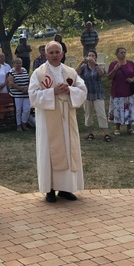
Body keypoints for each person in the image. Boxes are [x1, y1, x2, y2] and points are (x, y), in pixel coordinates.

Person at [29, 41, 86, 203]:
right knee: (49, 152)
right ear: (45, 55)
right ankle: (50, 189)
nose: (54, 55)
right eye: (51, 52)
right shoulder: (39, 73)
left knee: (68, 150)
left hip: (67, 119)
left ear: (62, 54)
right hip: (48, 121)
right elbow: (32, 95)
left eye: (57, 52)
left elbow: (83, 90)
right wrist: (52, 92)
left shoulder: (70, 72)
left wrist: (70, 90)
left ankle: (66, 188)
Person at [77, 51, 112, 142]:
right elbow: (75, 72)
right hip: (87, 94)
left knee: (101, 114)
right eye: (89, 55)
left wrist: (95, 64)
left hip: (98, 93)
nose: (90, 57)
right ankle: (90, 133)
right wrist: (81, 62)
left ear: (96, 58)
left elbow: (102, 74)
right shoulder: (84, 68)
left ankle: (106, 134)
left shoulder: (98, 67)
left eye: (92, 56)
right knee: (88, 114)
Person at [107, 47, 134, 135]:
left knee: (129, 109)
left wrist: (132, 79)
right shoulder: (113, 64)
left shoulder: (130, 63)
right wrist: (115, 69)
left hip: (128, 91)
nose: (123, 54)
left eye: (124, 52)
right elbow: (109, 77)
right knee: (117, 109)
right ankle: (117, 128)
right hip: (117, 91)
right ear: (117, 54)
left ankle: (130, 127)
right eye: (121, 52)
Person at [7, 58, 31, 131]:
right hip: (17, 94)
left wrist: (27, 88)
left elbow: (29, 80)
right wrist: (21, 89)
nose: (18, 65)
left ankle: (24, 123)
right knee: (18, 110)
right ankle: (18, 125)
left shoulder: (24, 70)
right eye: (16, 63)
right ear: (13, 64)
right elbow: (11, 83)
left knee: (26, 109)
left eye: (20, 63)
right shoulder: (11, 72)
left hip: (26, 93)